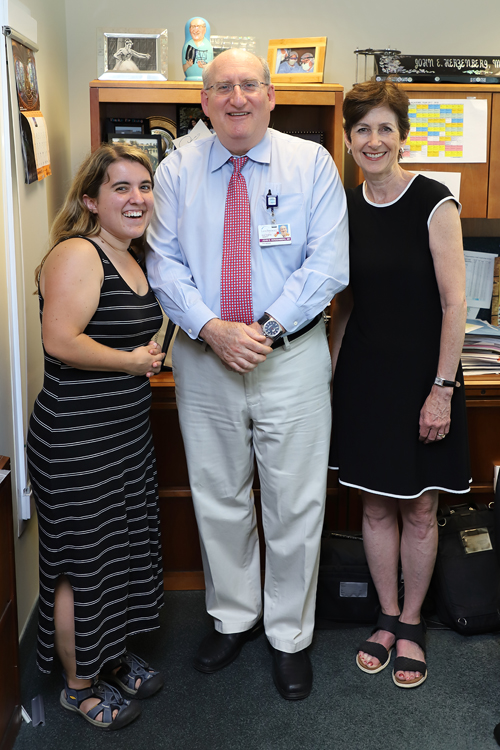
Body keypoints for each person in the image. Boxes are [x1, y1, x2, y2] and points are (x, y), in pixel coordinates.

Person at [146, 49, 348, 701]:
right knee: (219, 495)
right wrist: (211, 329)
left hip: (287, 357)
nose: (236, 98)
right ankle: (234, 617)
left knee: (294, 502)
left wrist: (260, 330)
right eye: (221, 87)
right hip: (205, 362)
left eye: (249, 86)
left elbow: (328, 264)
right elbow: (164, 263)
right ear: (204, 101)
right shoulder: (176, 170)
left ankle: (289, 635)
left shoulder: (310, 163)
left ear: (271, 95)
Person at [329, 80, 470, 688]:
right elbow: (346, 304)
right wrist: (329, 378)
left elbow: (455, 301)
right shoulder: (345, 207)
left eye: (385, 127)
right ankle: (385, 616)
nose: (374, 139)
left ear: (403, 135)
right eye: (362, 129)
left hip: (423, 378)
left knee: (420, 507)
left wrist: (442, 387)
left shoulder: (433, 201)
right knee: (375, 504)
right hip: (366, 376)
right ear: (350, 138)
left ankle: (412, 622)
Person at [26, 143, 166, 729]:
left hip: (123, 432)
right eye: (120, 188)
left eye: (144, 187)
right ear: (90, 199)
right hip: (76, 437)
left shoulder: (132, 254)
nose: (136, 199)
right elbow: (60, 340)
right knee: (79, 562)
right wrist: (133, 364)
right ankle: (76, 685)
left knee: (114, 554)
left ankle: (106, 658)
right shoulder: (78, 254)